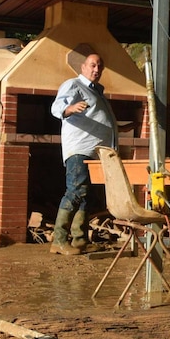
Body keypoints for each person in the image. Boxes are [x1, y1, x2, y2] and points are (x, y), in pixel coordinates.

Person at [49, 53, 119, 255]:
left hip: (96, 153)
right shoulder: (74, 85)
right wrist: (69, 108)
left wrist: (117, 129)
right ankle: (59, 240)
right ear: (83, 67)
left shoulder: (97, 92)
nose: (96, 69)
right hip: (80, 150)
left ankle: (79, 239)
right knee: (76, 191)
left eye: (100, 66)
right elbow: (57, 106)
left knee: (86, 195)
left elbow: (98, 120)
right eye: (92, 65)